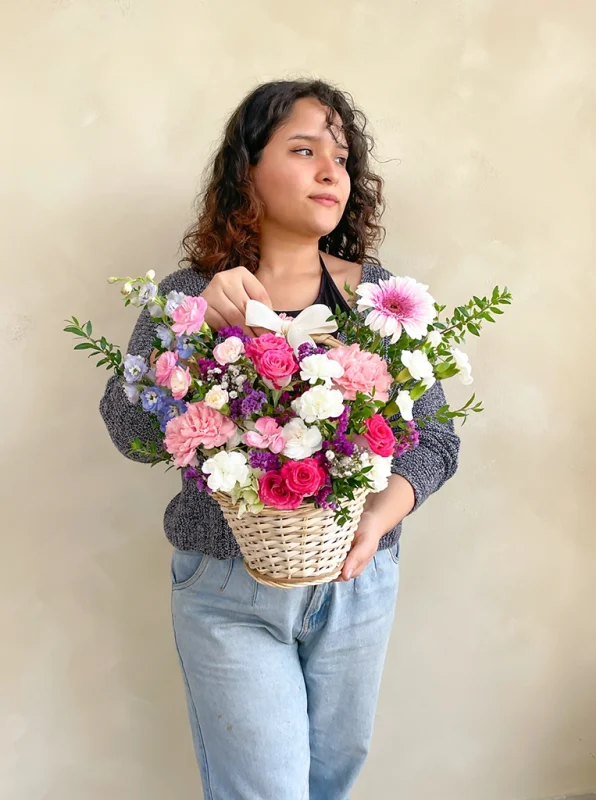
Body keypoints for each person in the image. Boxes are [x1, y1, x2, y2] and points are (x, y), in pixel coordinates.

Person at [100, 78, 460, 799]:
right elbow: (132, 432)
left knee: (328, 782)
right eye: (303, 149)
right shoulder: (187, 294)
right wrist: (195, 324)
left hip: (358, 585)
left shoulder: (381, 300)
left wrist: (375, 520)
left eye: (342, 155)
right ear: (248, 173)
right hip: (226, 585)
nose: (332, 169)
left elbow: (435, 440)